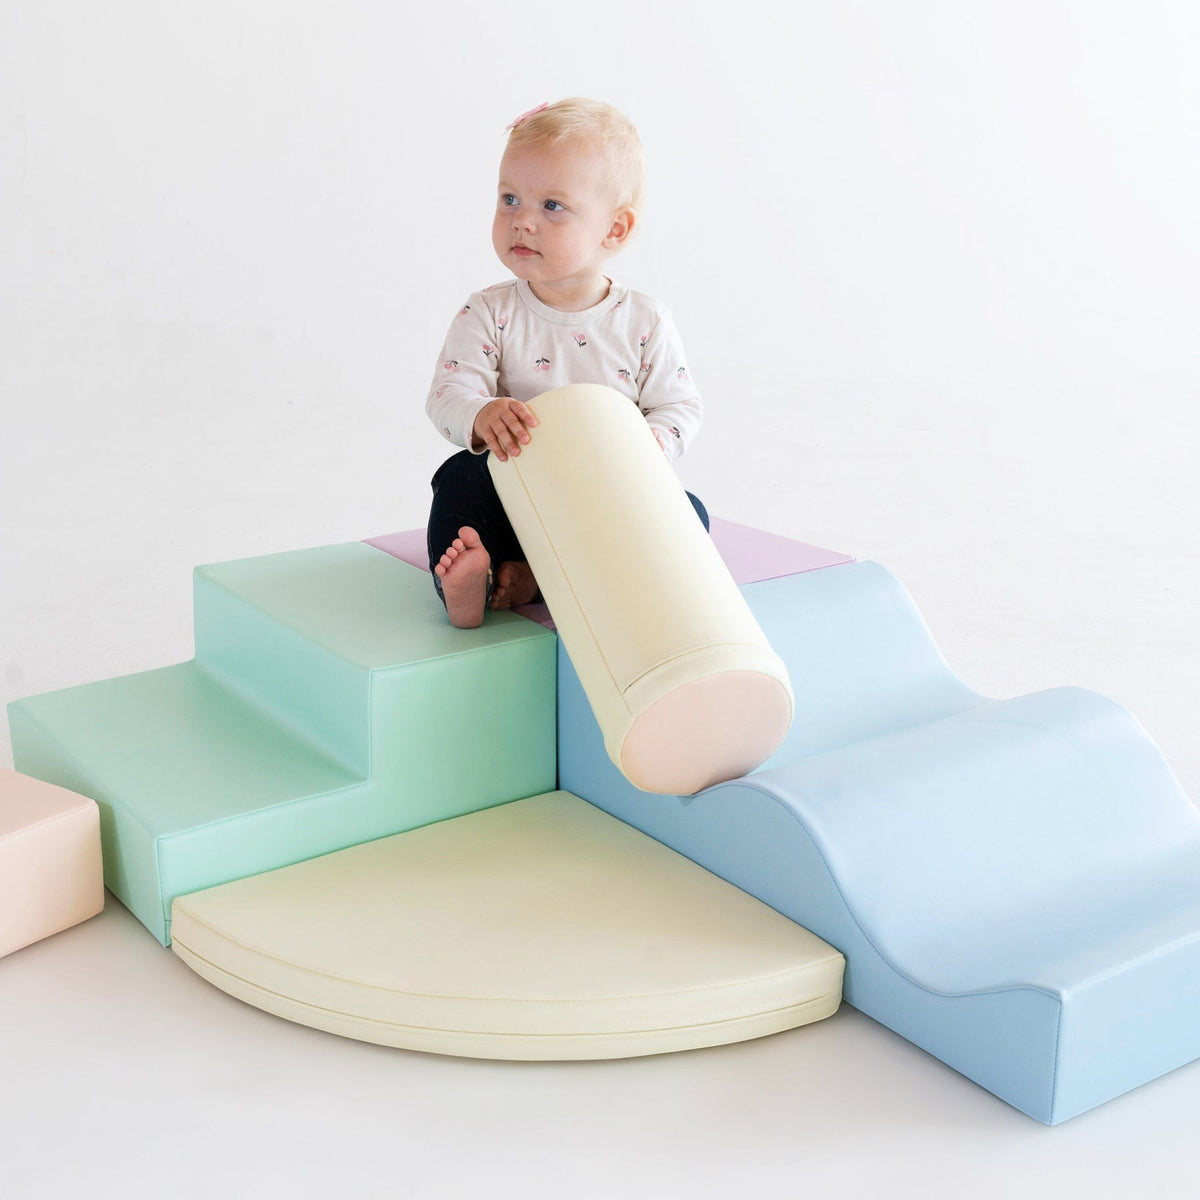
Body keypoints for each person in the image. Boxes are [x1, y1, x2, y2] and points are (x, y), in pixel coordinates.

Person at [425, 97, 709, 628]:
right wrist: (482, 415)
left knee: (688, 512)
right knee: (461, 477)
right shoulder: (489, 311)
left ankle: (543, 580)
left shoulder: (645, 320)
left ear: (614, 230)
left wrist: (650, 444)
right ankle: (470, 585)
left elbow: (679, 406)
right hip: (514, 491)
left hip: (602, 501)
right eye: (510, 199)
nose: (522, 221)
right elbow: (448, 394)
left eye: (552, 206)